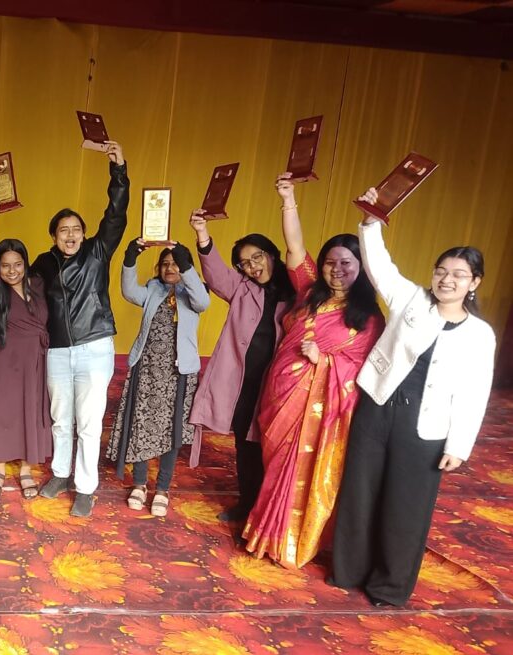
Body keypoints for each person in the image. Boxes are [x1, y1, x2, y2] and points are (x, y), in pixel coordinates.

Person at [330, 188, 495, 607]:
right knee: (360, 491)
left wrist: (459, 446)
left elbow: (475, 392)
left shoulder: (480, 335)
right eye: (441, 271)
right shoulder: (410, 299)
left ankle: (389, 586)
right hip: (378, 409)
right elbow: (379, 265)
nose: (446, 279)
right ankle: (348, 570)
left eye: (458, 274)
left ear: (474, 283)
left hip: (426, 427)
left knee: (407, 505)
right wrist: (371, 221)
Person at [240, 172, 383, 568]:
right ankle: (267, 530)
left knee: (295, 469)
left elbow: (362, 370)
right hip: (278, 398)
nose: (336, 269)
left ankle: (284, 539)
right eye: (330, 262)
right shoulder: (308, 292)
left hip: (316, 410)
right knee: (274, 466)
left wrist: (325, 361)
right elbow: (294, 246)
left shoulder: (368, 318)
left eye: (346, 263)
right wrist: (288, 199)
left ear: (362, 267)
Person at [35, 141, 129, 517]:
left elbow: (116, 214)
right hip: (57, 349)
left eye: (76, 229)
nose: (70, 235)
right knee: (61, 418)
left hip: (94, 344)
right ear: (53, 236)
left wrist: (118, 170)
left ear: (85, 233)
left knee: (88, 423)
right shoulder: (43, 263)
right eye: (63, 230)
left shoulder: (97, 251)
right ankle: (61, 473)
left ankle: (86, 487)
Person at [187, 211, 295, 522]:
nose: (252, 267)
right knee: (245, 446)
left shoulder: (297, 293)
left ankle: (271, 511)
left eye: (256, 257)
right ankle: (247, 505)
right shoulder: (242, 288)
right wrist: (202, 234)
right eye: (244, 263)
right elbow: (216, 274)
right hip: (245, 384)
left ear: (272, 254)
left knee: (274, 447)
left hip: (279, 387)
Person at [107, 240, 210, 516]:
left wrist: (186, 264)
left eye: (175, 264)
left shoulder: (194, 293)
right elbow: (129, 290)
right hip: (147, 371)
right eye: (165, 264)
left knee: (171, 431)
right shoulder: (153, 289)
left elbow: (203, 302)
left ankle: (162, 488)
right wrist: (131, 256)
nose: (169, 268)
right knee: (141, 425)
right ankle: (139, 484)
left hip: (179, 374)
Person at [0, 203, 52, 499]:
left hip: (36, 360)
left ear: (25, 263)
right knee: (4, 411)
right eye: (5, 265)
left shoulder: (38, 284)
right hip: (6, 359)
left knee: (31, 410)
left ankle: (26, 470)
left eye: (17, 264)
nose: (12, 270)